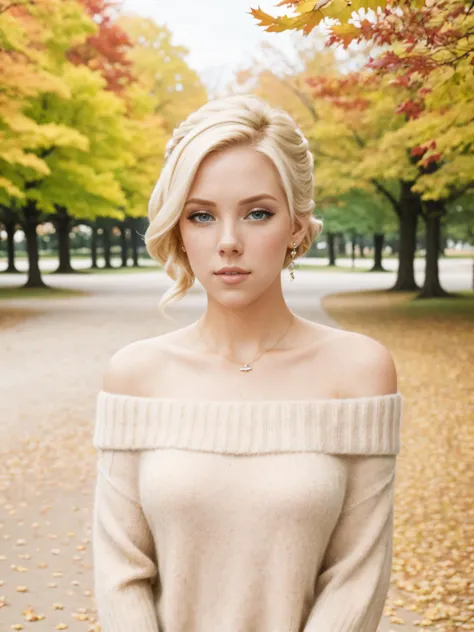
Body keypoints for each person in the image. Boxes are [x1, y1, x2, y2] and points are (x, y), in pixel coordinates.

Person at [92, 94, 404, 632]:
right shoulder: (135, 375)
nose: (229, 242)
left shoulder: (359, 370)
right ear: (179, 231)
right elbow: (121, 574)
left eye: (257, 213)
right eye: (202, 216)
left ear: (298, 229)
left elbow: (356, 577)